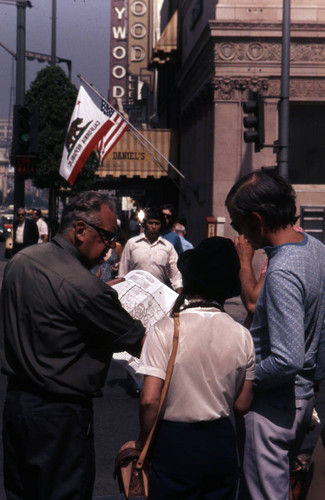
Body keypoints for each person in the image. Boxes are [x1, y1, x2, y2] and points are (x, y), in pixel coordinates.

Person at [0, 191, 145, 500]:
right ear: (80, 230)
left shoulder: (21, 261)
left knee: (20, 491)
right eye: (107, 237)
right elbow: (138, 340)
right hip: (60, 416)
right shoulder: (86, 288)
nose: (110, 247)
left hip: (17, 404)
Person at [119, 236, 255, 499]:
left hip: (175, 441)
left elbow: (149, 400)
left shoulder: (165, 329)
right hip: (221, 441)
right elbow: (242, 404)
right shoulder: (242, 335)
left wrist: (142, 441)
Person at [225, 170, 325, 500]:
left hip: (273, 406)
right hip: (301, 397)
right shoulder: (315, 248)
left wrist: (246, 381)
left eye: (239, 225)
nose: (240, 234)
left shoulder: (282, 272)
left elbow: (286, 357)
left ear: (257, 220)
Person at [119, 207, 183, 293]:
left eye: (157, 224)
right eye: (150, 223)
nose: (153, 227)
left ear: (161, 226)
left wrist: (179, 296)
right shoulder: (132, 244)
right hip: (134, 293)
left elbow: (176, 276)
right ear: (145, 224)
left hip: (159, 295)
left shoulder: (168, 247)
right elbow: (122, 273)